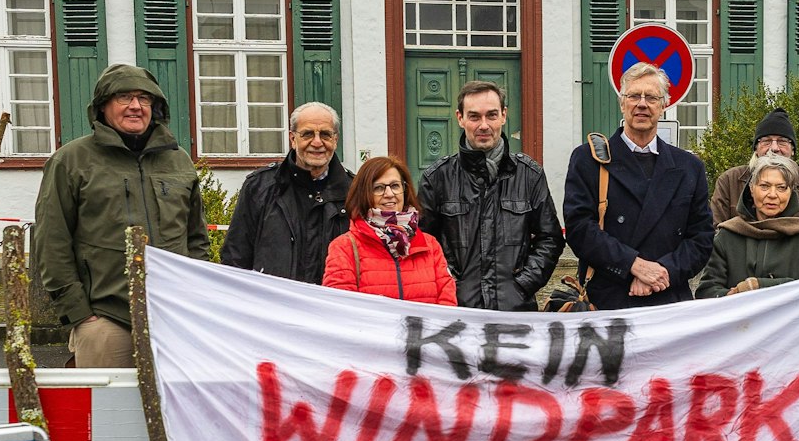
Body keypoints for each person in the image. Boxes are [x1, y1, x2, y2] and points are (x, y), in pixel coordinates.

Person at [35, 63, 211, 369]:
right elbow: (52, 242)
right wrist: (80, 315)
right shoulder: (72, 161)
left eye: (144, 99)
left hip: (174, 318)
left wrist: (195, 299)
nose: (135, 106)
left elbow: (196, 239)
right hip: (107, 320)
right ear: (103, 106)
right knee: (106, 414)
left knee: (173, 413)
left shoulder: (178, 160)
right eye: (124, 97)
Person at [562, 62, 715, 308]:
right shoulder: (589, 159)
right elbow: (579, 228)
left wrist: (662, 272)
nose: (642, 104)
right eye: (634, 96)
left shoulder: (689, 167)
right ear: (622, 103)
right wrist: (633, 265)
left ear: (664, 105)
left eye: (651, 97)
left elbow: (701, 238)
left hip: (669, 301)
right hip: (608, 301)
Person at [418, 80, 564, 310]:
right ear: (460, 118)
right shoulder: (437, 178)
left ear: (504, 116)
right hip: (457, 310)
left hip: (515, 312)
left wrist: (523, 284)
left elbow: (550, 238)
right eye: (474, 116)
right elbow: (424, 244)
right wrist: (452, 284)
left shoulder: (529, 175)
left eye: (492, 115)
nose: (483, 125)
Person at [220, 102, 353, 283]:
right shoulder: (259, 187)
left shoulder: (354, 192)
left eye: (325, 134)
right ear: (292, 139)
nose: (317, 142)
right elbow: (235, 258)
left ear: (335, 140)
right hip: (272, 306)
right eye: (307, 134)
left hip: (332, 306)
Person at [322, 156, 457, 305]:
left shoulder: (430, 245)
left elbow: (447, 305)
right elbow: (340, 308)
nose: (389, 194)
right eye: (379, 188)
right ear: (364, 194)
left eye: (395, 186)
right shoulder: (344, 248)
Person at [696, 153, 799, 298]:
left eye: (781, 188)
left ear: (791, 192)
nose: (772, 194)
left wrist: (758, 286)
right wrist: (734, 296)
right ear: (751, 189)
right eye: (764, 186)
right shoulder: (727, 235)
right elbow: (706, 291)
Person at [709, 107, 799, 223]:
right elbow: (714, 229)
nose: (774, 148)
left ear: (793, 149)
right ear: (756, 148)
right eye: (766, 141)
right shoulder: (730, 181)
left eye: (782, 141)